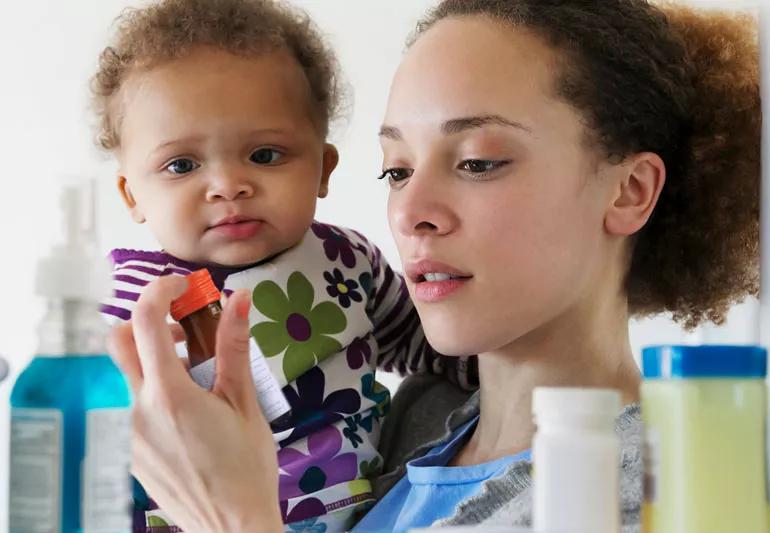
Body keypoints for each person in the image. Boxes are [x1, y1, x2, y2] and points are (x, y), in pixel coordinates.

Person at [108, 0, 760, 531]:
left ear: (630, 190)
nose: (409, 210)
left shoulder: (655, 500)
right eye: (396, 169)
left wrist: (234, 519)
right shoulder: (413, 419)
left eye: (477, 161)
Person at [92, 0, 474, 530]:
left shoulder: (350, 261)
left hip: (364, 511)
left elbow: (426, 345)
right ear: (131, 195)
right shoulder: (134, 301)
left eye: (265, 155)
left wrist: (523, 378)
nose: (228, 185)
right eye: (181, 165)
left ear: (323, 167)